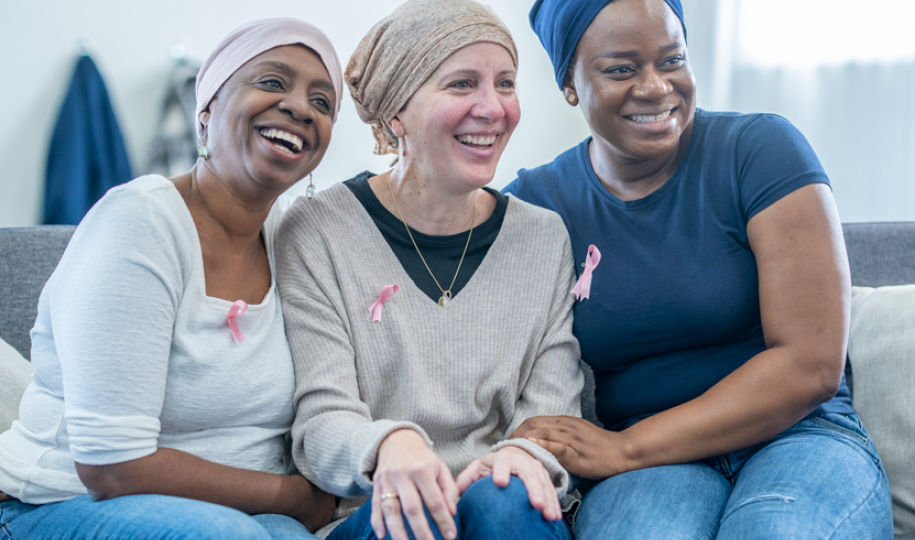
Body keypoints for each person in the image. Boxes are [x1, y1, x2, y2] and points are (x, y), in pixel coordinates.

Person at [505, 0, 894, 538]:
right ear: (569, 83)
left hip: (797, 436)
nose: (657, 87)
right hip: (653, 467)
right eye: (621, 68)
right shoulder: (538, 203)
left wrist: (623, 448)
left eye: (672, 60)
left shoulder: (759, 150)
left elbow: (812, 365)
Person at [0, 18, 343, 540]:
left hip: (243, 515)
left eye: (322, 102)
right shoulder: (139, 223)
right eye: (272, 82)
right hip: (62, 501)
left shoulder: (291, 240)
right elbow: (112, 468)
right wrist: (293, 496)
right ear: (205, 114)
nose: (300, 107)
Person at [275, 1, 583, 539]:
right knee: (415, 515)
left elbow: (552, 410)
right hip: (377, 513)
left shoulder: (542, 237)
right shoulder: (318, 228)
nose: (493, 108)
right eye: (462, 84)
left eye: (505, 84)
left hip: (506, 507)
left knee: (506, 500)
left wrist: (520, 456)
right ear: (396, 114)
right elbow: (321, 422)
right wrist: (391, 444)